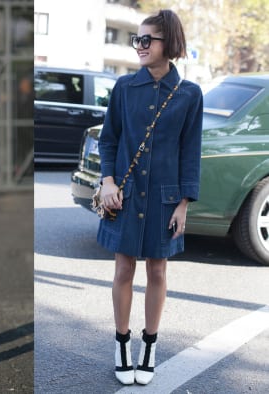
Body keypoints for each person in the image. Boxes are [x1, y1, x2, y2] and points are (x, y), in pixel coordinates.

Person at [96, 9, 203, 386]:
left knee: (157, 270)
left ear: (168, 44)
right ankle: (122, 343)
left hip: (164, 197)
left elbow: (191, 150)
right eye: (136, 40)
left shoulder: (189, 94)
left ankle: (150, 346)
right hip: (123, 196)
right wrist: (108, 181)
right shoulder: (125, 88)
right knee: (123, 269)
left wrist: (184, 202)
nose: (139, 46)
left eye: (146, 40)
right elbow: (108, 139)